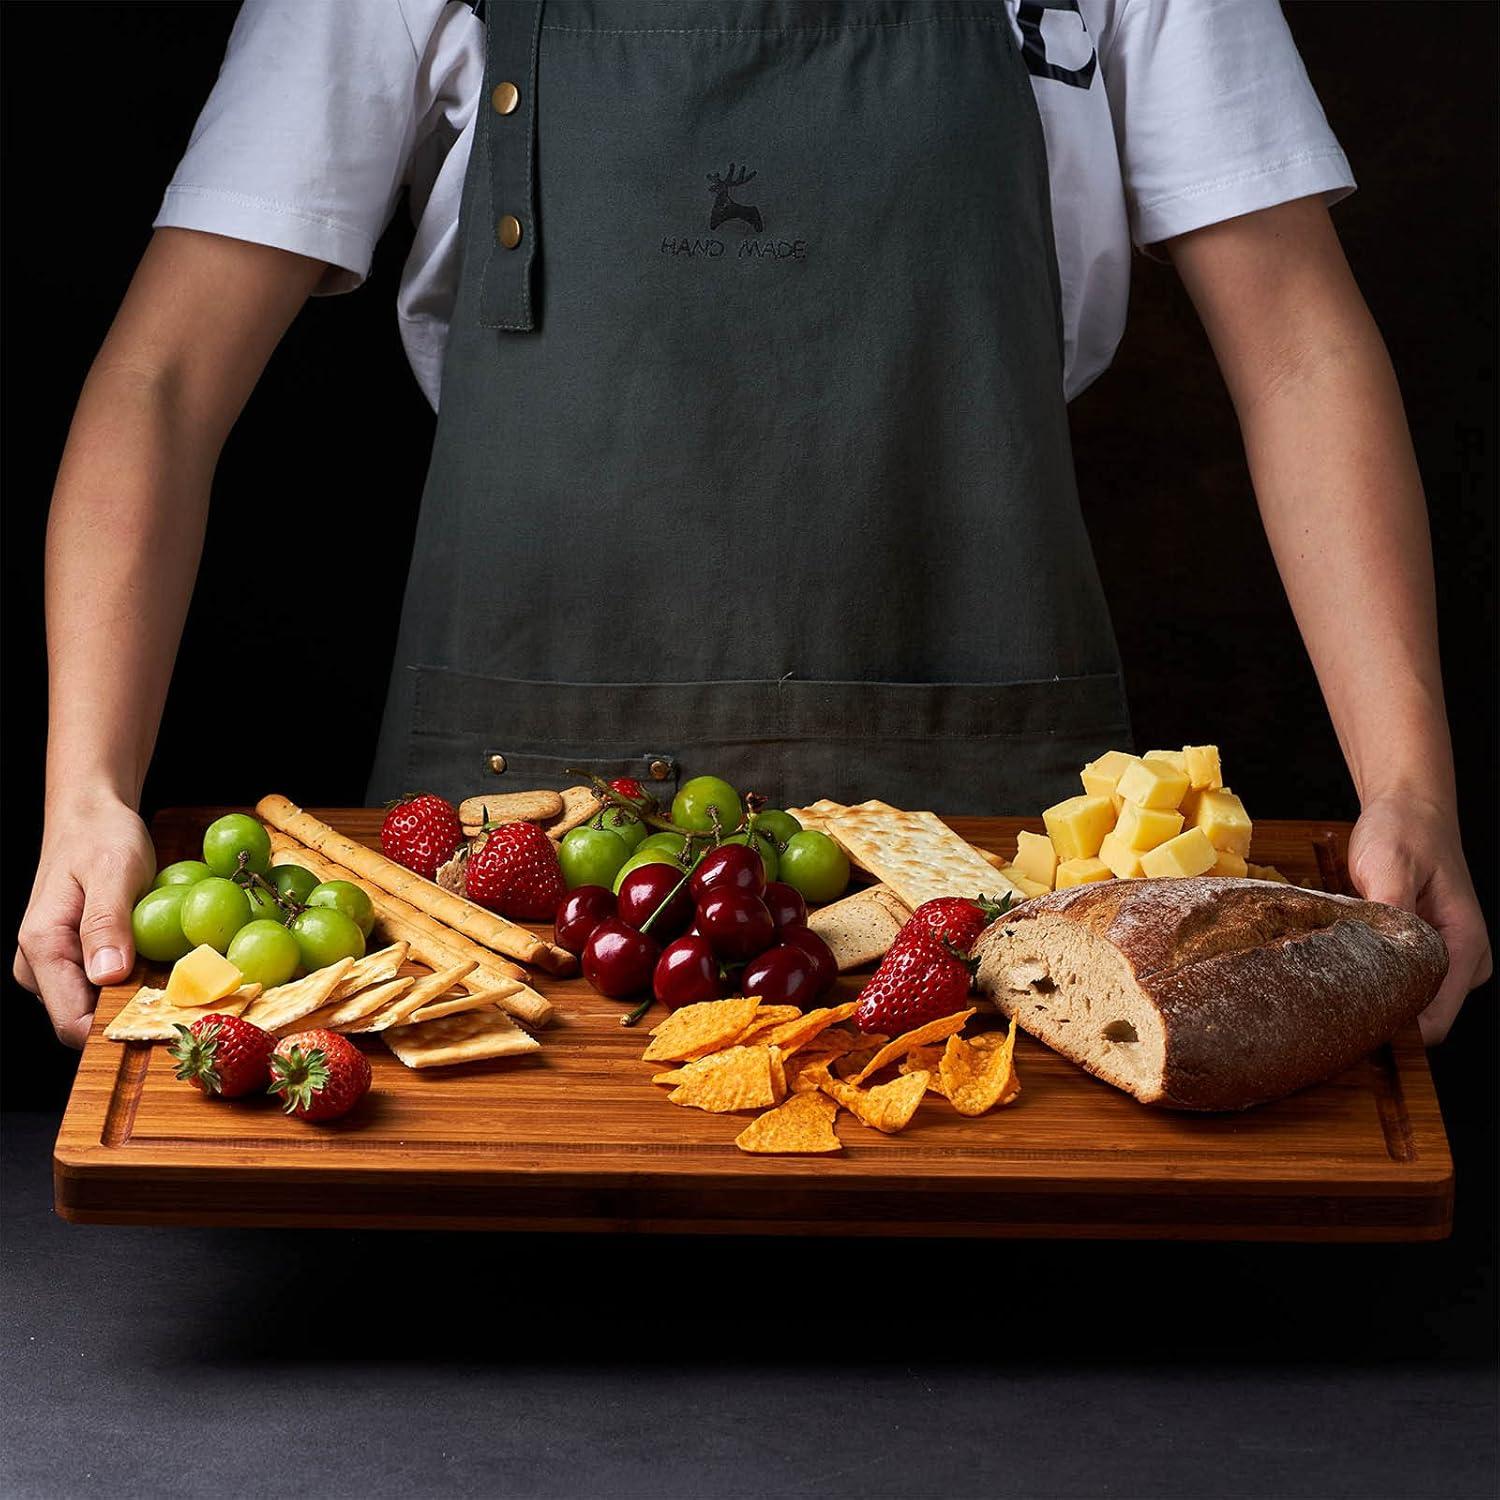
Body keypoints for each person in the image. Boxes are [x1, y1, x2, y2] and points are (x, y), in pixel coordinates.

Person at [15, 0, 1489, 1050]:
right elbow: (162, 376)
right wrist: (88, 783)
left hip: (996, 824)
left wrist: (1408, 780)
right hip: (519, 844)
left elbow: (1299, 344)